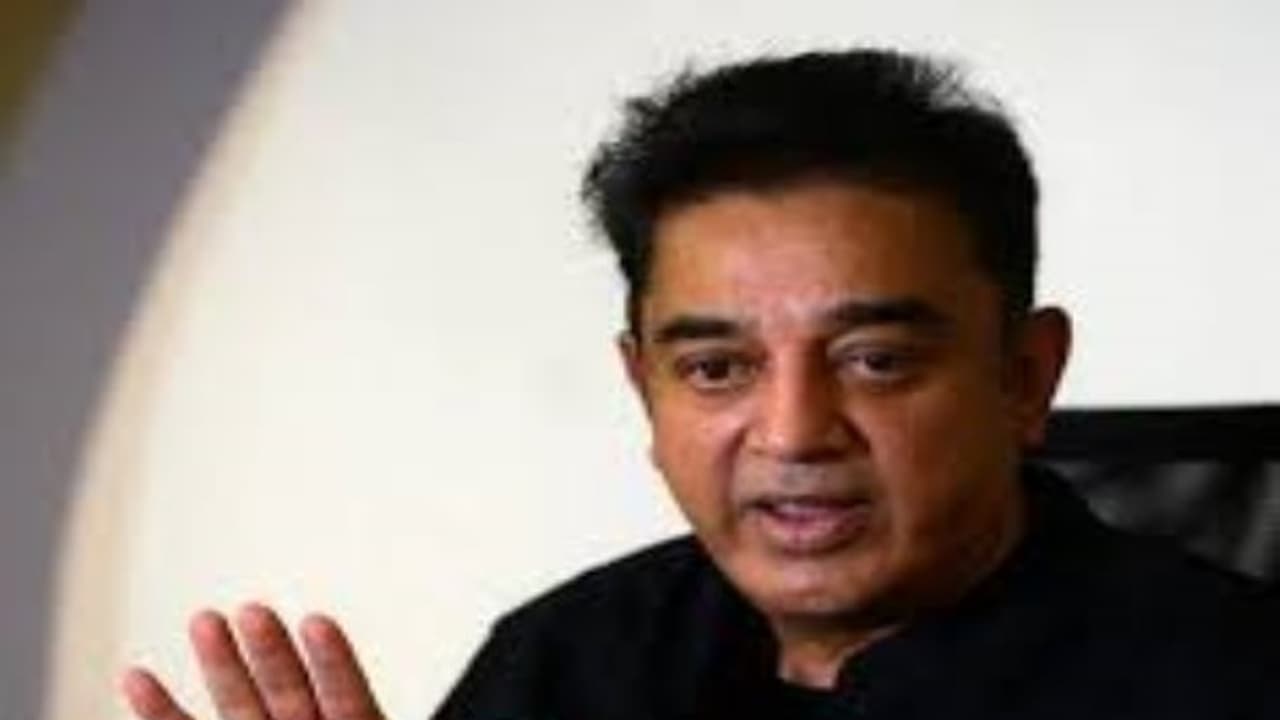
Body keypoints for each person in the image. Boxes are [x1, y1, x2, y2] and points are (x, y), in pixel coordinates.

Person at [121, 48, 1279, 720]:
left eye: (873, 361)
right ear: (644, 391)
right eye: (716, 368)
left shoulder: (1229, 681)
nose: (792, 432)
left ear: (1023, 376)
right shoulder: (572, 662)